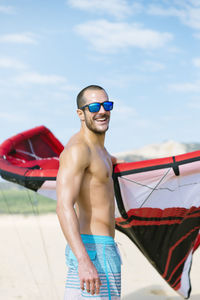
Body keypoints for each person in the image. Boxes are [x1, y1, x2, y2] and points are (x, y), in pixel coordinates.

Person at [56, 85, 122, 299]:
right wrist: (84, 261)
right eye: (94, 106)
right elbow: (63, 206)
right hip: (93, 252)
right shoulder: (78, 150)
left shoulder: (100, 150)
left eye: (107, 105)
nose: (102, 111)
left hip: (101, 250)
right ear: (80, 114)